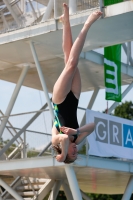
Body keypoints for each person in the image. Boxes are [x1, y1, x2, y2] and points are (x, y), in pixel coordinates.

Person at [52, 3, 102, 163]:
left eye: (72, 154)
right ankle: (65, 20)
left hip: (59, 99)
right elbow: (93, 126)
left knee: (72, 63)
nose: (76, 150)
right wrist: (77, 130)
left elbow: (64, 141)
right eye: (76, 153)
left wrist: (61, 155)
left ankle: (87, 24)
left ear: (65, 153)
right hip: (74, 96)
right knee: (69, 58)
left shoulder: (56, 141)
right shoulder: (76, 138)